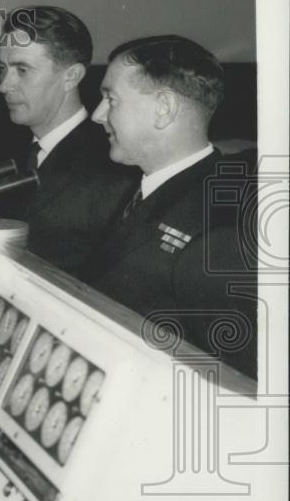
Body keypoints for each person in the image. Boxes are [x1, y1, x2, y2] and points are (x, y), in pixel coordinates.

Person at [85, 35, 256, 378]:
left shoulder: (220, 229)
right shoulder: (137, 187)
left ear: (163, 108)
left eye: (110, 99)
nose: (97, 114)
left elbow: (236, 382)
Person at [0, 6, 136, 273]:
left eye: (22, 70)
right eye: (2, 68)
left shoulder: (113, 167)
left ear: (71, 76)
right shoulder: (4, 147)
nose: (4, 85)